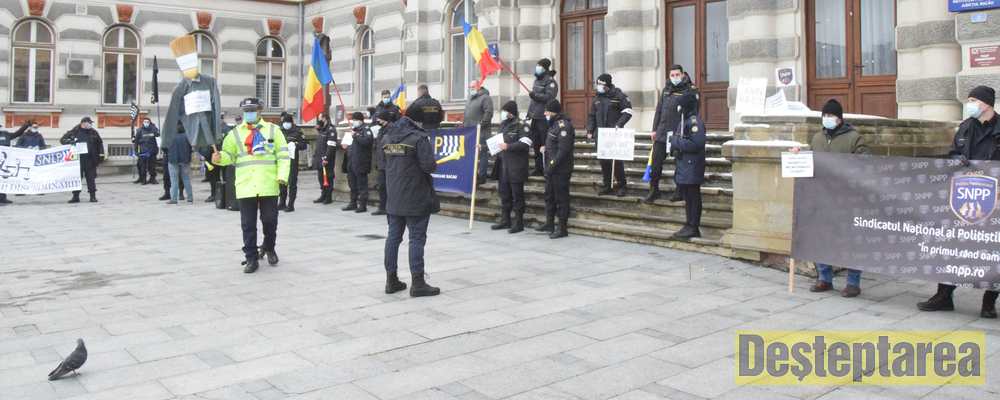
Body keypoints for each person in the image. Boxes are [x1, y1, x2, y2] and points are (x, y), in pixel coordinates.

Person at [918, 85, 1000, 317]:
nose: (969, 104)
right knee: (953, 246)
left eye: (973, 100)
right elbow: (953, 153)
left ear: (986, 103)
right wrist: (957, 159)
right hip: (964, 196)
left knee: (992, 249)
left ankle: (989, 301)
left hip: (993, 197)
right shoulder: (965, 127)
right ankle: (944, 295)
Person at [799, 99, 870, 297]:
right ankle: (824, 278)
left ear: (839, 118)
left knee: (851, 240)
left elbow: (866, 165)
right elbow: (811, 161)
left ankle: (853, 282)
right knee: (821, 238)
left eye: (830, 115)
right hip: (822, 196)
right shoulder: (817, 138)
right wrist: (798, 157)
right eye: (825, 115)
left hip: (846, 198)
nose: (827, 118)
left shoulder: (854, 138)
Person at [212, 97, 290, 274]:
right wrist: (218, 158)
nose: (249, 113)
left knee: (270, 221)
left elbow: (283, 155)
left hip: (269, 183)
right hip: (245, 185)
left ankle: (269, 247)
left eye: (252, 110)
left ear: (260, 111)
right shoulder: (234, 133)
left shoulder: (273, 130)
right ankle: (251, 258)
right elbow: (228, 156)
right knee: (248, 224)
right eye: (246, 111)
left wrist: (282, 176)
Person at [379, 108, 441, 297]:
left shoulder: (387, 137)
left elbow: (382, 165)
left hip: (394, 196)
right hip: (416, 196)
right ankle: (418, 283)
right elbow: (429, 166)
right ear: (419, 121)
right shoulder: (419, 138)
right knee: (416, 239)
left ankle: (391, 280)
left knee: (393, 238)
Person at [647, 65, 699, 204]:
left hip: (678, 133)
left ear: (682, 75)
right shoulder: (666, 90)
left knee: (679, 164)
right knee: (656, 164)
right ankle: (654, 189)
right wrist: (654, 129)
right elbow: (658, 110)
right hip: (662, 132)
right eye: (672, 75)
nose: (675, 77)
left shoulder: (690, 90)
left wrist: (688, 131)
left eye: (677, 75)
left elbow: (694, 113)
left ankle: (679, 191)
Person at [587, 73, 634, 197]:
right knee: (604, 161)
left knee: (616, 161)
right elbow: (592, 115)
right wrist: (590, 130)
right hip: (601, 135)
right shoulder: (597, 98)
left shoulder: (618, 95)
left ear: (607, 85)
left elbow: (628, 111)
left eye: (600, 84)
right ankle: (607, 185)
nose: (598, 86)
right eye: (597, 83)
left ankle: (622, 185)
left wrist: (619, 124)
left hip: (614, 134)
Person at [670, 93, 707, 240]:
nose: (678, 108)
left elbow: (697, 144)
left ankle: (693, 226)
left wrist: (675, 142)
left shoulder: (694, 122)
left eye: (680, 105)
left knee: (693, 196)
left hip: (692, 165)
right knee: (688, 197)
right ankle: (688, 224)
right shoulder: (683, 120)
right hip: (684, 165)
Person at [491, 101, 531, 234]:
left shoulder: (522, 125)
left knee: (517, 196)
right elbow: (497, 142)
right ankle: (505, 220)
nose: (503, 113)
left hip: (516, 166)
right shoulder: (503, 125)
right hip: (503, 165)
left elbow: (525, 144)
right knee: (504, 194)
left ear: (510, 112)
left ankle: (519, 223)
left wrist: (509, 146)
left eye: (505, 111)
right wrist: (484, 147)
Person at [537, 100, 575, 239]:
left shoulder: (563, 126)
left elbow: (563, 150)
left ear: (553, 112)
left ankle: (562, 228)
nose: (545, 113)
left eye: (547, 111)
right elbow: (553, 144)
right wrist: (546, 148)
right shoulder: (553, 124)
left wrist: (552, 164)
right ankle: (550, 223)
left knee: (561, 199)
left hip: (560, 169)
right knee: (549, 196)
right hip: (551, 169)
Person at [60, 117, 105, 203]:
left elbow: (100, 144)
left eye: (90, 123)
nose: (90, 125)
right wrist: (70, 142)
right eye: (89, 123)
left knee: (91, 178)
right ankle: (75, 196)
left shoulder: (93, 132)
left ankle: (93, 196)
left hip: (90, 159)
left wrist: (101, 155)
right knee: (77, 179)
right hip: (78, 160)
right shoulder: (75, 131)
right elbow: (62, 140)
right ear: (83, 123)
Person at [527, 58, 559, 176]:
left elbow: (549, 97)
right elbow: (533, 101)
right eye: (537, 65)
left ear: (544, 68)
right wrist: (529, 113)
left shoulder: (551, 82)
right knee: (536, 144)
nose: (537, 68)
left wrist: (535, 95)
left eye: (539, 66)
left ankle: (547, 168)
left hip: (544, 117)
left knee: (545, 143)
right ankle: (538, 168)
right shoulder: (537, 81)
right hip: (535, 117)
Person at [373, 93, 400, 216]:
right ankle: (382, 207)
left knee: (389, 187)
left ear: (384, 119)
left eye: (379, 118)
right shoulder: (381, 129)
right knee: (382, 186)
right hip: (381, 163)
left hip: (388, 164)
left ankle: (389, 207)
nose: (377, 120)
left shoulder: (392, 129)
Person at [464, 81, 494, 184]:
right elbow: (467, 114)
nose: (471, 89)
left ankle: (482, 177)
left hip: (481, 132)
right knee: (472, 155)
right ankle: (474, 175)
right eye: (470, 87)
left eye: (473, 87)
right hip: (470, 132)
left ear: (478, 86)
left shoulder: (485, 98)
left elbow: (488, 113)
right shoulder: (470, 99)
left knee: (482, 154)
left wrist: (480, 125)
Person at [344, 112, 374, 212]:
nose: (354, 122)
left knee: (362, 185)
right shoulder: (354, 130)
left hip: (361, 162)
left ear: (360, 120)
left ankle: (362, 205)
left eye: (355, 120)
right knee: (352, 184)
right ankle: (353, 203)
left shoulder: (366, 130)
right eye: (353, 120)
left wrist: (356, 135)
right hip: (352, 161)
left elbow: (367, 142)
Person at [278, 114, 307, 212]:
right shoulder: (279, 131)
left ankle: (291, 204)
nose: (286, 124)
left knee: (292, 183)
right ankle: (282, 203)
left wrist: (295, 145)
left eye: (288, 122)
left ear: (291, 122)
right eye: (284, 122)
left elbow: (304, 145)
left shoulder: (298, 131)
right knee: (282, 182)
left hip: (292, 161)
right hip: (282, 161)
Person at [0, 121, 30, 205]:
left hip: (5, 161)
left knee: (4, 179)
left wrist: (25, 125)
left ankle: (2, 197)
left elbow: (17, 134)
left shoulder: (5, 134)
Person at [313, 113, 337, 204]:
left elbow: (331, 146)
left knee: (328, 178)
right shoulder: (322, 129)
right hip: (320, 158)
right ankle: (323, 194)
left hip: (327, 159)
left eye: (320, 118)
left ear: (324, 118)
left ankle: (328, 197)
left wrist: (326, 158)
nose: (319, 120)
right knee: (321, 178)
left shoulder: (331, 130)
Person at [166, 127, 194, 204]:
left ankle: (174, 199)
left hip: (173, 160)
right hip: (185, 160)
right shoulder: (187, 136)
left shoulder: (170, 136)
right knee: (186, 179)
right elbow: (191, 148)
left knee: (174, 180)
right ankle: (190, 198)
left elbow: (164, 147)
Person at [133, 118, 159, 185]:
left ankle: (152, 179)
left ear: (150, 123)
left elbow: (158, 136)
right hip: (143, 152)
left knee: (152, 166)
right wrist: (136, 151)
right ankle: (142, 179)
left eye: (147, 122)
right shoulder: (140, 130)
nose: (146, 123)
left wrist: (154, 128)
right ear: (143, 122)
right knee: (141, 166)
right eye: (145, 122)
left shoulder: (153, 129)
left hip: (152, 151)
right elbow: (136, 142)